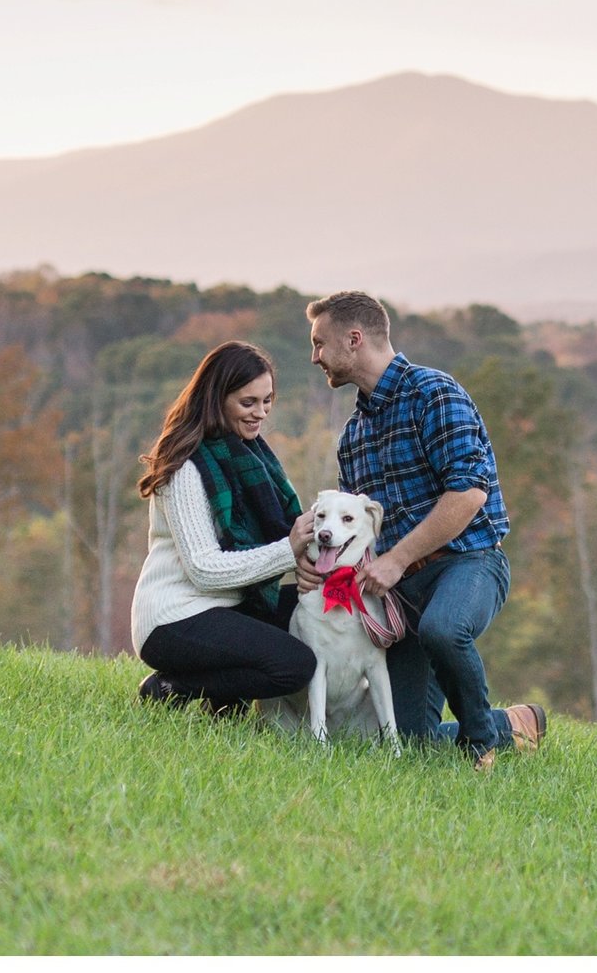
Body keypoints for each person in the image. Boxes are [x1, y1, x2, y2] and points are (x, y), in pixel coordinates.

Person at [303, 290, 547, 769]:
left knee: (443, 628)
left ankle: (483, 747)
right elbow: (352, 531)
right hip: (401, 591)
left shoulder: (435, 394)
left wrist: (395, 560)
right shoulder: (353, 437)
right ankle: (514, 723)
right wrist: (319, 567)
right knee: (411, 737)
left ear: (354, 340)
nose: (314, 357)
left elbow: (469, 494)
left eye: (319, 343)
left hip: (470, 561)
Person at [130, 340, 317, 713]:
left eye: (267, 401)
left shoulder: (248, 456)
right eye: (247, 403)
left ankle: (222, 702)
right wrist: (288, 551)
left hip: (227, 606)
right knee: (294, 665)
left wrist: (307, 564)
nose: (260, 413)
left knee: (319, 605)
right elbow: (204, 570)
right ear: (216, 399)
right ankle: (170, 687)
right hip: (173, 618)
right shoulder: (185, 468)